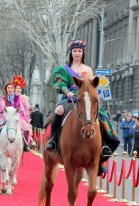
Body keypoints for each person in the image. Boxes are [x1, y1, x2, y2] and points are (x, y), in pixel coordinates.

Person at [45, 38, 120, 175]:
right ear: (71, 53)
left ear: (83, 53)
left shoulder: (88, 69)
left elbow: (92, 86)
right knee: (59, 110)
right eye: (74, 51)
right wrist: (66, 91)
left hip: (86, 99)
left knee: (102, 117)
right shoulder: (64, 69)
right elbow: (58, 84)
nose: (77, 53)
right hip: (70, 98)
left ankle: (103, 149)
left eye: (79, 51)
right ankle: (53, 140)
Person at [0, 82, 21, 148]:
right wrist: (4, 110)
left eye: (11, 88)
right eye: (8, 88)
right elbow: (1, 106)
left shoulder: (18, 97)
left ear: (14, 89)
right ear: (6, 89)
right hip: (5, 115)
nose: (10, 89)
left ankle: (25, 145)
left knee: (24, 127)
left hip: (15, 115)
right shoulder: (2, 98)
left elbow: (20, 106)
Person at [13, 75, 34, 151]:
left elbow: (27, 108)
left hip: (22, 116)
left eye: (19, 88)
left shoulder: (24, 98)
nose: (18, 89)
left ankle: (26, 144)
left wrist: (26, 113)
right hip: (13, 115)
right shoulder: (12, 97)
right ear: (14, 89)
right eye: (17, 88)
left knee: (26, 127)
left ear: (21, 89)